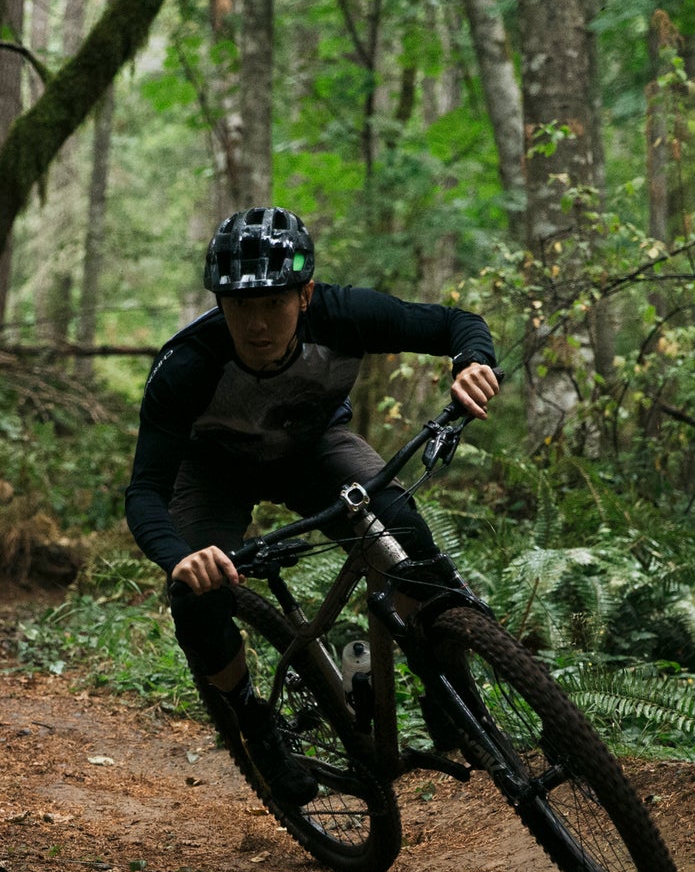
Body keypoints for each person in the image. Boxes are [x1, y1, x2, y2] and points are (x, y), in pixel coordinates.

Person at [123, 207, 503, 808]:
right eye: (239, 305)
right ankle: (252, 720)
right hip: (214, 470)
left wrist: (472, 362)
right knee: (198, 597)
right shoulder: (187, 366)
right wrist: (179, 557)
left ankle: (446, 687)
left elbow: (456, 323)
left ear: (306, 295)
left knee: (409, 544)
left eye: (273, 302)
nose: (256, 323)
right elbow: (145, 490)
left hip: (314, 447)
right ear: (219, 303)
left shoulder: (344, 314)